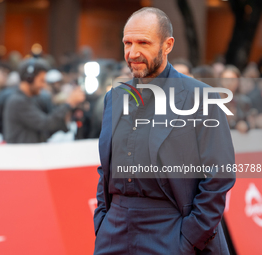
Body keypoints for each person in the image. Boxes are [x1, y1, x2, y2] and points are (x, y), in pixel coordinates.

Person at [93, 7, 235, 255]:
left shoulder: (201, 98)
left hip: (171, 227)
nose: (132, 52)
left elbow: (218, 177)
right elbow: (106, 167)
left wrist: (189, 238)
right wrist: (102, 220)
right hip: (113, 230)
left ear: (167, 45)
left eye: (143, 43)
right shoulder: (114, 98)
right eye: (127, 42)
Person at [3, 58, 85, 143]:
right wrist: (69, 103)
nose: (43, 85)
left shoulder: (29, 99)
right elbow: (45, 123)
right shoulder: (18, 101)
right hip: (21, 154)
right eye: (41, 81)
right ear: (29, 78)